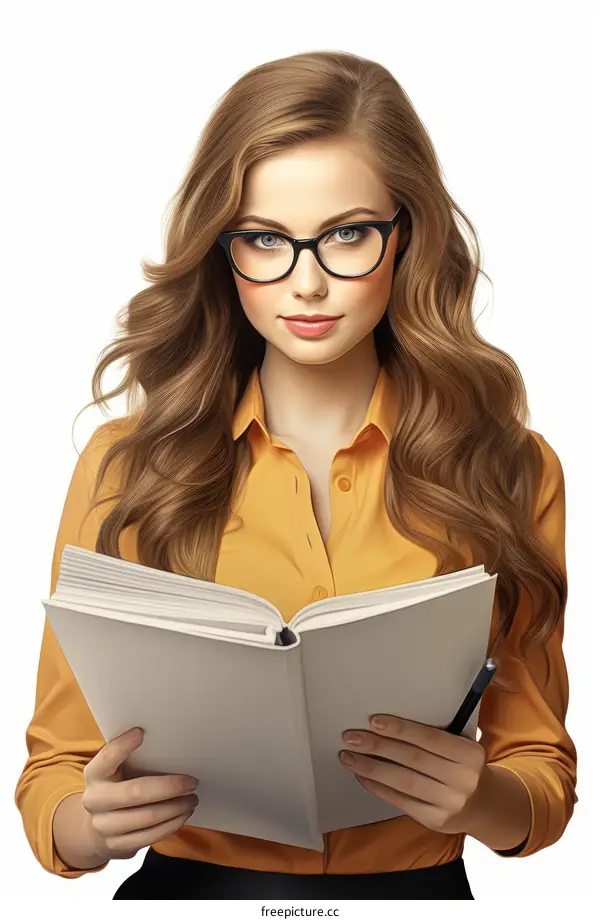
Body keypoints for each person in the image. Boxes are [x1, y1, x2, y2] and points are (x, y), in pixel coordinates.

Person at [14, 50, 577, 900]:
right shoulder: (127, 465)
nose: (307, 284)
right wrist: (92, 826)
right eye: (266, 240)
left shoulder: (510, 468)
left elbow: (540, 772)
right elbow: (54, 775)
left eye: (348, 234)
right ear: (222, 249)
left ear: (406, 235)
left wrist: (482, 799)